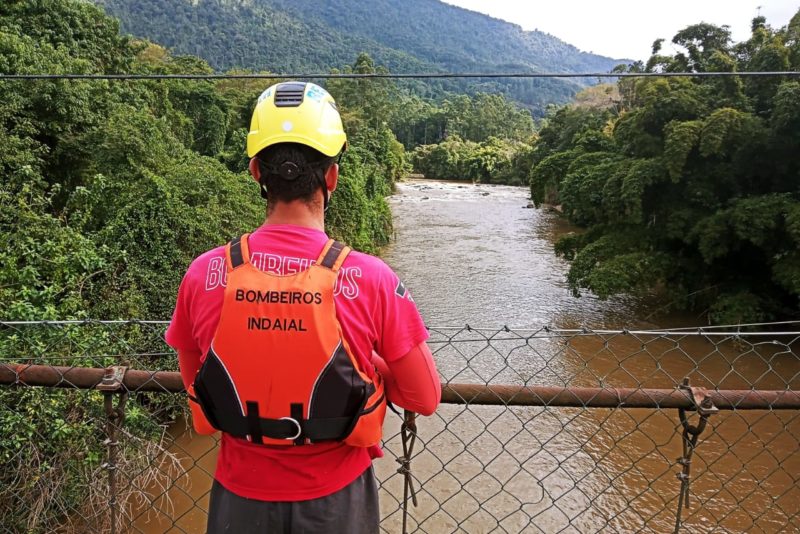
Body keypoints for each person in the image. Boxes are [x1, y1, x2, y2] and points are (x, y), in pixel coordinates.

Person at [165, 81, 441, 534]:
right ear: (331, 177)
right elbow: (423, 398)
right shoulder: (369, 278)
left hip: (239, 500)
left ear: (256, 172)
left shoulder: (204, 273)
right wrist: (368, 366)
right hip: (338, 503)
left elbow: (200, 396)